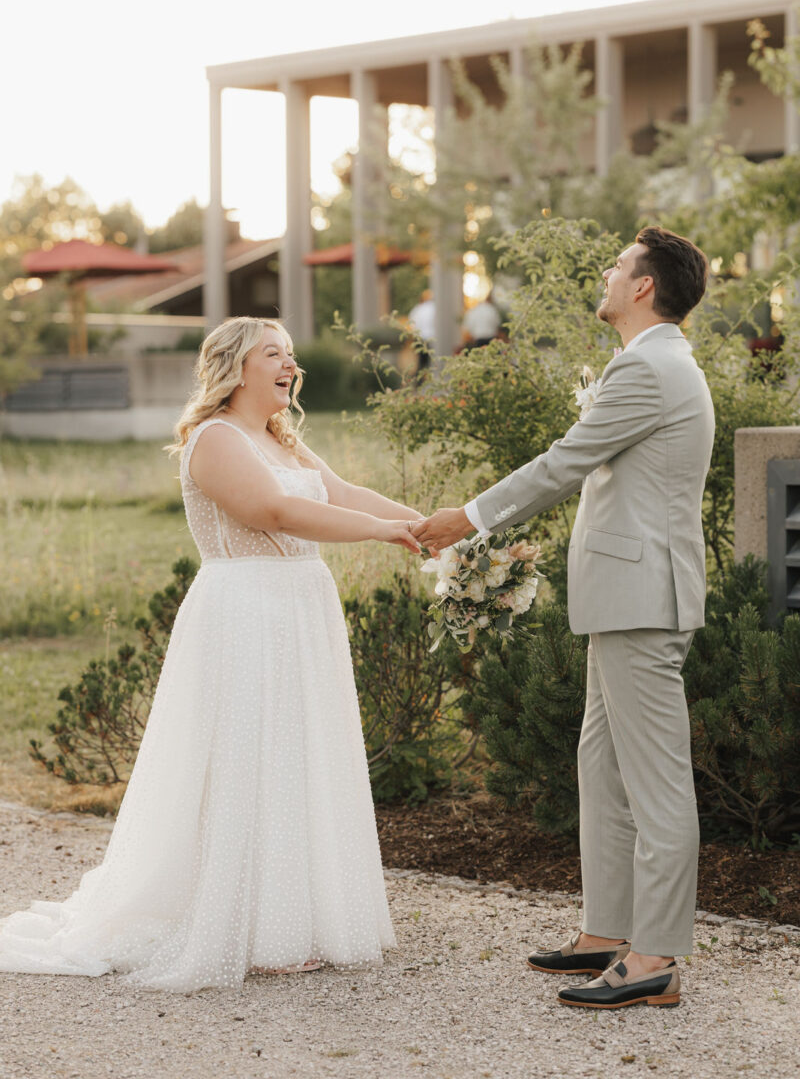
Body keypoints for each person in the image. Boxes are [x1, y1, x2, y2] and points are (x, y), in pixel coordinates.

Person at [0, 317, 421, 992]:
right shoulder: (216, 440)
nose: (289, 364)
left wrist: (426, 526)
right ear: (236, 368)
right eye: (273, 354)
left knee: (298, 757)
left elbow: (342, 497)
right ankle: (244, 925)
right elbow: (273, 514)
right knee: (248, 760)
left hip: (301, 609)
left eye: (291, 354)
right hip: (246, 614)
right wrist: (382, 533)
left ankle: (293, 919)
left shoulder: (282, 440)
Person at [412, 227, 714, 1011]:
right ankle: (609, 930)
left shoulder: (650, 368)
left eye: (618, 267)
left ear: (644, 287)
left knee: (654, 784)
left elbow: (563, 463)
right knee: (601, 768)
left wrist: (468, 517)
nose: (608, 276)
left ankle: (654, 956)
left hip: (643, 602)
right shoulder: (650, 363)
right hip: (625, 599)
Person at [407, 288, 436, 369]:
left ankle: (420, 379)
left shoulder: (418, 309)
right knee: (432, 361)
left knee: (421, 361)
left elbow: (411, 323)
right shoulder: (434, 308)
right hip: (431, 337)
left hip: (419, 337)